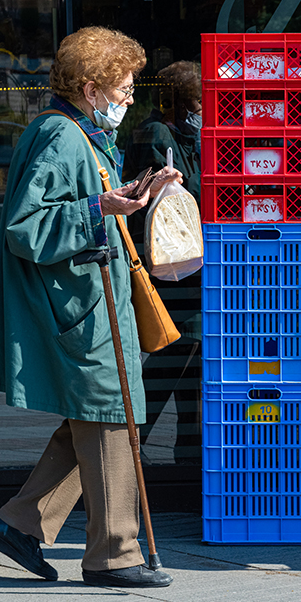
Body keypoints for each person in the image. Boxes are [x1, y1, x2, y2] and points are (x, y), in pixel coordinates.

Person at [0, 26, 182, 588]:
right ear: (91, 88)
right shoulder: (62, 136)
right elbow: (27, 226)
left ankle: (20, 521)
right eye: (125, 84)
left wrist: (131, 194)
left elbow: (83, 203)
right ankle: (113, 554)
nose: (132, 94)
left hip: (91, 302)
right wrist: (102, 206)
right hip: (79, 307)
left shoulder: (80, 136)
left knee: (93, 417)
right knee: (111, 418)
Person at [122, 60, 202, 464]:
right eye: (196, 104)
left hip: (186, 265)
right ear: (174, 103)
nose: (201, 113)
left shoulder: (178, 134)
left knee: (192, 355)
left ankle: (188, 449)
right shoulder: (155, 133)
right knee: (179, 345)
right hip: (173, 265)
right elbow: (195, 195)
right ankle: (131, 440)